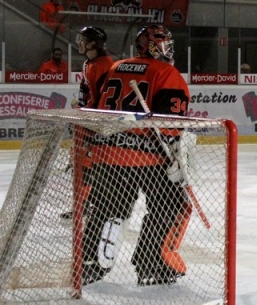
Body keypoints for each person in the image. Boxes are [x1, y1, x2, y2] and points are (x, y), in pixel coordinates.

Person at [85, 24, 191, 286]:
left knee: (109, 209)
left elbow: (97, 108)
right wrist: (175, 150)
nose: (168, 48)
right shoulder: (166, 72)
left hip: (107, 152)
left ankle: (91, 263)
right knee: (173, 206)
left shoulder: (115, 66)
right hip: (147, 157)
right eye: (164, 42)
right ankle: (153, 263)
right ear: (152, 45)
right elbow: (171, 124)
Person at [60, 26, 115, 221]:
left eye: (83, 39)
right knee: (80, 164)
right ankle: (82, 205)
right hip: (88, 120)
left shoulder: (104, 65)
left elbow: (101, 100)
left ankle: (92, 205)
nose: (79, 42)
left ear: (92, 43)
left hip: (98, 124)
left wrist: (86, 116)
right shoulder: (89, 63)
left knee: (90, 165)